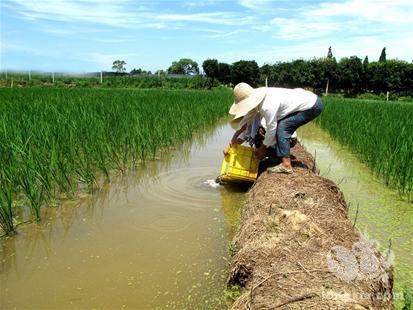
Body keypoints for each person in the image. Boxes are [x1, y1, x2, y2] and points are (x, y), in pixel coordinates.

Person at [228, 82, 323, 173]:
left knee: (283, 127)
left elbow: (272, 129)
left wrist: (262, 148)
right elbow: (245, 122)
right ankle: (280, 158)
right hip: (309, 100)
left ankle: (286, 165)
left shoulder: (267, 106)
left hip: (312, 106)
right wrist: (233, 140)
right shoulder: (257, 102)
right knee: (281, 126)